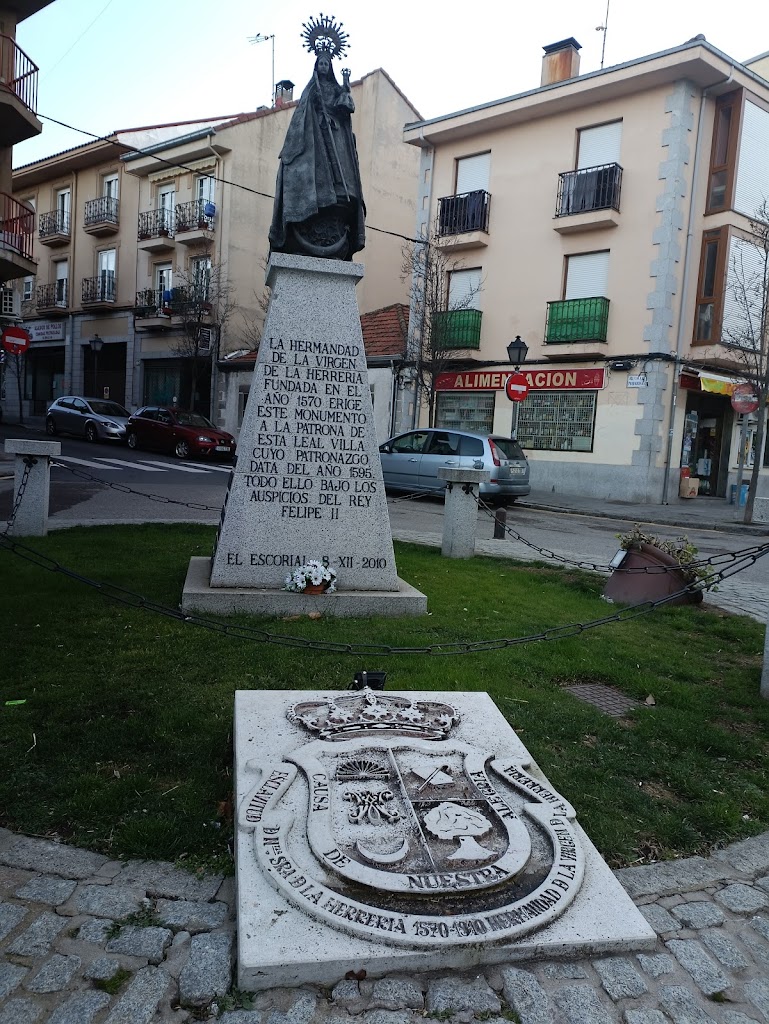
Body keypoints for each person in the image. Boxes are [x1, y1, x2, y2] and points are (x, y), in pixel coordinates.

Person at [269, 51, 365, 260]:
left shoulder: (335, 87)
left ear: (329, 67)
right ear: (316, 66)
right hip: (316, 133)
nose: (323, 67)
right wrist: (317, 114)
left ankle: (336, 193)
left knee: (337, 166)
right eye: (320, 63)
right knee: (319, 164)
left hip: (336, 132)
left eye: (326, 64)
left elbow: (346, 106)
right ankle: (316, 200)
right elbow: (302, 113)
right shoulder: (312, 88)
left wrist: (345, 84)